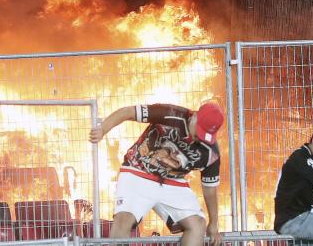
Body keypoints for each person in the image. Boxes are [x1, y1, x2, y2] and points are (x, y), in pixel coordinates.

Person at [88, 102, 224, 246]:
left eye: (206, 135)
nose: (199, 137)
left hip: (172, 180)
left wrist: (214, 224)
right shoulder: (170, 113)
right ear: (195, 116)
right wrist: (102, 129)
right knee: (123, 220)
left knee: (198, 224)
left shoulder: (211, 153)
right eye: (199, 130)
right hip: (138, 170)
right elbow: (127, 112)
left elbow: (210, 190)